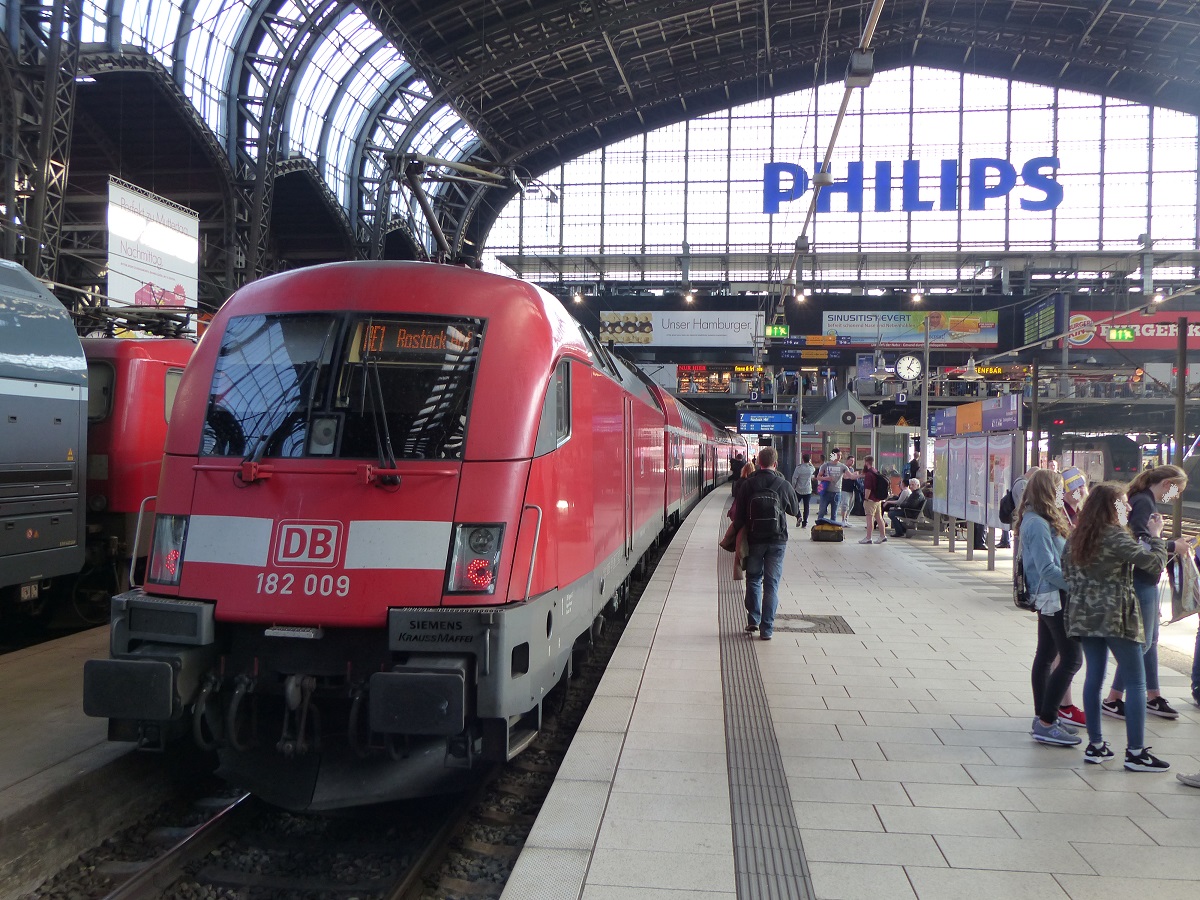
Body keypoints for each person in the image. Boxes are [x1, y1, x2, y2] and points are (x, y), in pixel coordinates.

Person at [1064, 482, 1170, 771]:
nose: (1130, 508)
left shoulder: (1077, 537)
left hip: (1083, 615)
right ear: (1113, 508)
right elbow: (1152, 563)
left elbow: (1066, 572)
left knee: (1093, 677)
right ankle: (1136, 753)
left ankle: (1095, 745)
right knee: (1136, 681)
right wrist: (1157, 536)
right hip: (1115, 615)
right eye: (1124, 503)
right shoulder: (1114, 535)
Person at [1101, 465, 1193, 722]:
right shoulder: (1143, 503)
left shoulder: (1138, 498)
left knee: (1150, 641)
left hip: (1140, 579)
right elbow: (1137, 543)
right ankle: (1114, 698)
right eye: (1176, 490)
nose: (1176, 496)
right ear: (1167, 483)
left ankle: (1153, 696)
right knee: (1142, 643)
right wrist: (1172, 545)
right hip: (1141, 580)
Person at [1015, 470, 1081, 747]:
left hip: (1050, 596)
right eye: (1057, 488)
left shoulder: (1036, 519)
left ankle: (1044, 718)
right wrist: (1076, 584)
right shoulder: (1038, 524)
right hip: (1054, 596)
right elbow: (1046, 568)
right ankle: (1047, 720)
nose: (1060, 493)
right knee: (1071, 660)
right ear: (1048, 491)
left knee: (1045, 656)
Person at [732, 447, 799, 641]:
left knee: (753, 579)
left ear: (758, 462)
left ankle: (753, 618)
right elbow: (794, 510)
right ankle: (767, 629)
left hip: (754, 539)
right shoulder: (783, 484)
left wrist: (736, 537)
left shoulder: (748, 484)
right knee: (772, 585)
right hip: (778, 541)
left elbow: (739, 515)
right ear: (775, 464)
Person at [859, 456, 889, 544]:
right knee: (879, 518)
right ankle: (882, 536)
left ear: (866, 462)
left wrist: (866, 498)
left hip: (871, 500)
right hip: (878, 499)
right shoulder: (876, 471)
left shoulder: (869, 474)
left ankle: (868, 538)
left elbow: (868, 488)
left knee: (869, 518)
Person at [816, 449, 850, 523]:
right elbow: (818, 477)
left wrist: (860, 475)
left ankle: (832, 530)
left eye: (840, 455)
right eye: (838, 455)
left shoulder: (843, 466)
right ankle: (818, 527)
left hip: (837, 493)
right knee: (822, 511)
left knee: (834, 514)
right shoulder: (825, 465)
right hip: (826, 492)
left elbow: (850, 475)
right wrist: (826, 478)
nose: (839, 457)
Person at [790, 453, 815, 528]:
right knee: (806, 506)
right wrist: (810, 463)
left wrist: (793, 486)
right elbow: (813, 471)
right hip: (808, 490)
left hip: (798, 490)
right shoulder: (811, 468)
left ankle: (798, 516)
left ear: (802, 459)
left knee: (795, 504)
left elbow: (794, 478)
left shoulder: (799, 468)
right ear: (809, 460)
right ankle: (805, 523)